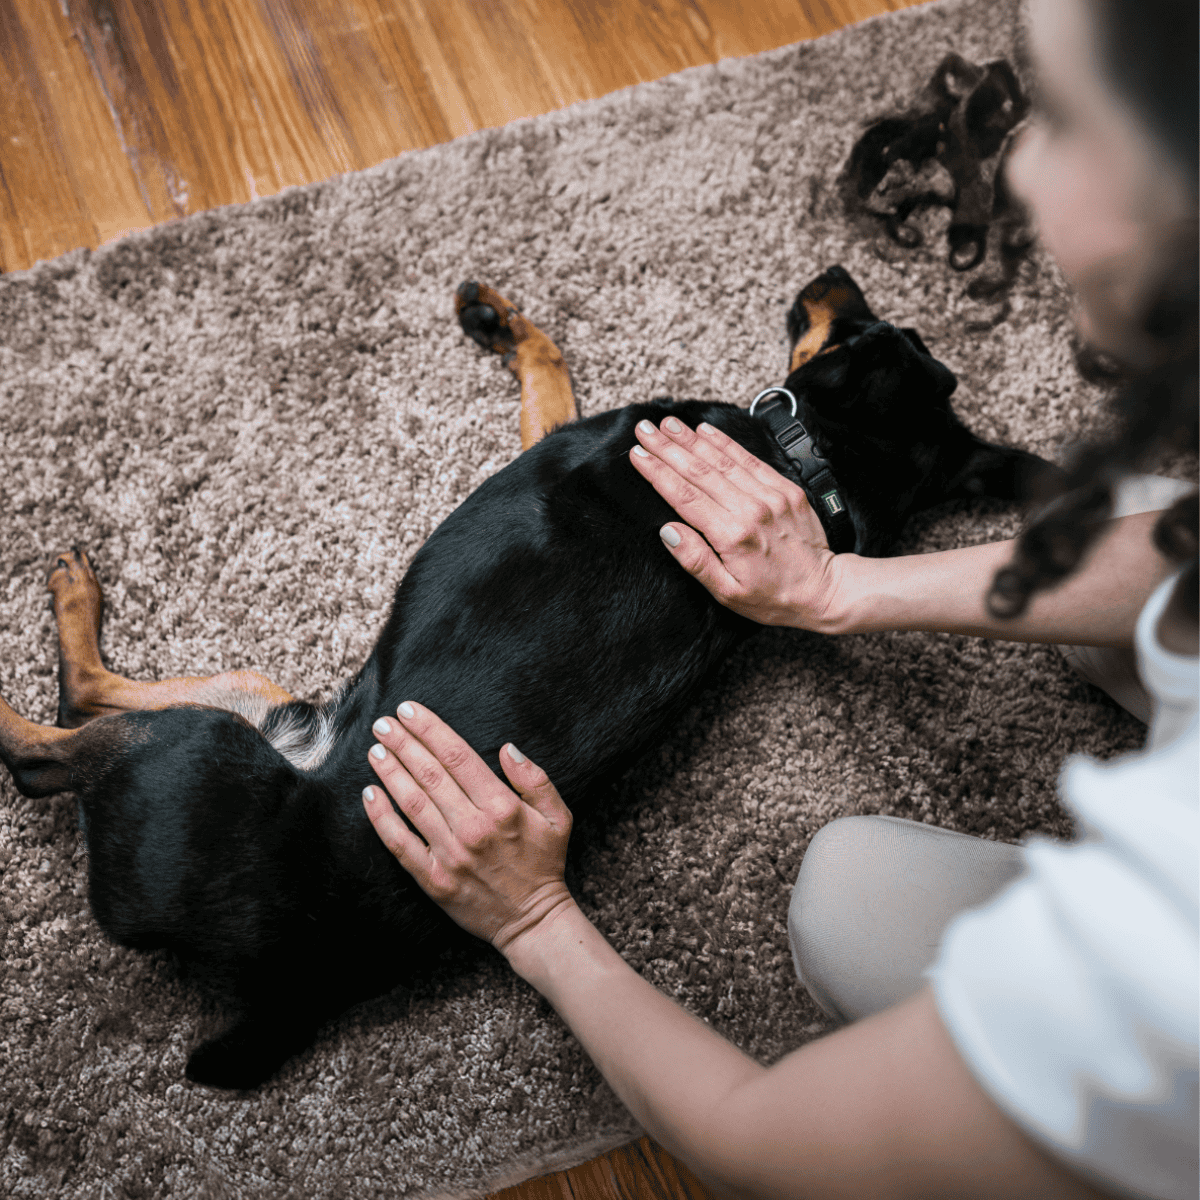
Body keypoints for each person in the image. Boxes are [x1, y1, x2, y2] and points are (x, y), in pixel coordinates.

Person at [361, 0, 1198, 1194]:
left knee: (847, 896)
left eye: (1064, 119)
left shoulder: (1159, 967)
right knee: (1137, 514)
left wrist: (536, 925)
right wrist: (837, 589)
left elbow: (765, 1147)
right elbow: (1177, 546)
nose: (1017, 161)